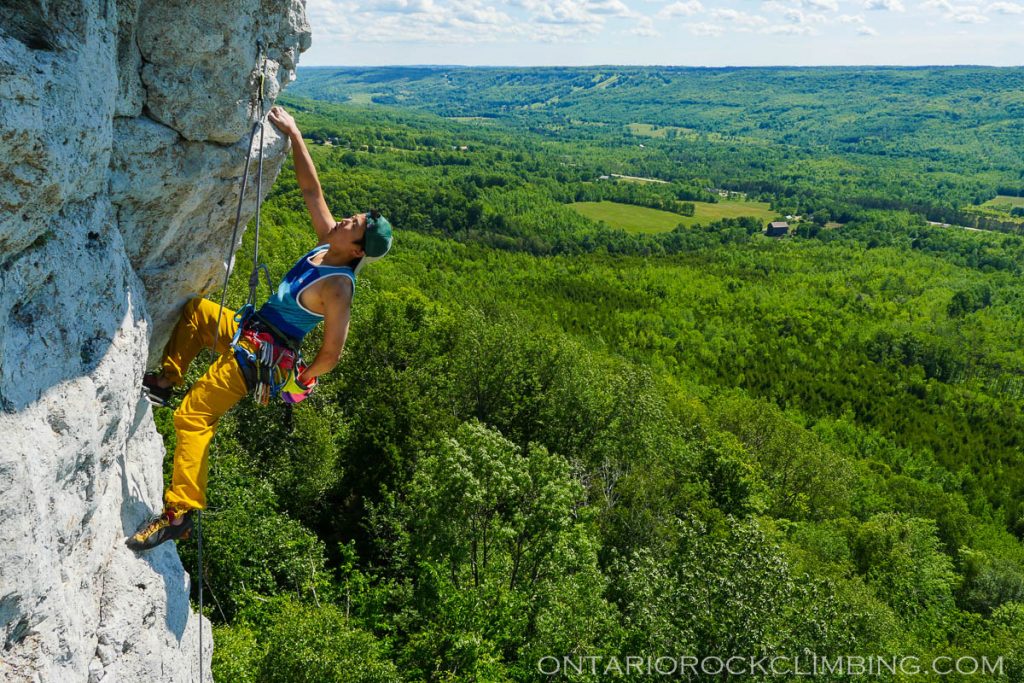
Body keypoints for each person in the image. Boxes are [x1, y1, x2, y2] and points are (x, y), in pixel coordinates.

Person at [127, 106, 392, 551]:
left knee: (194, 417)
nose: (347, 219)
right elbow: (311, 191)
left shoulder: (339, 288)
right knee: (196, 313)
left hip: (257, 359)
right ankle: (166, 379)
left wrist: (300, 383)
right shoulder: (330, 243)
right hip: (250, 330)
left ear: (358, 247)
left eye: (355, 224)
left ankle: (180, 512)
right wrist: (294, 134)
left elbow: (332, 354)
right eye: (352, 218)